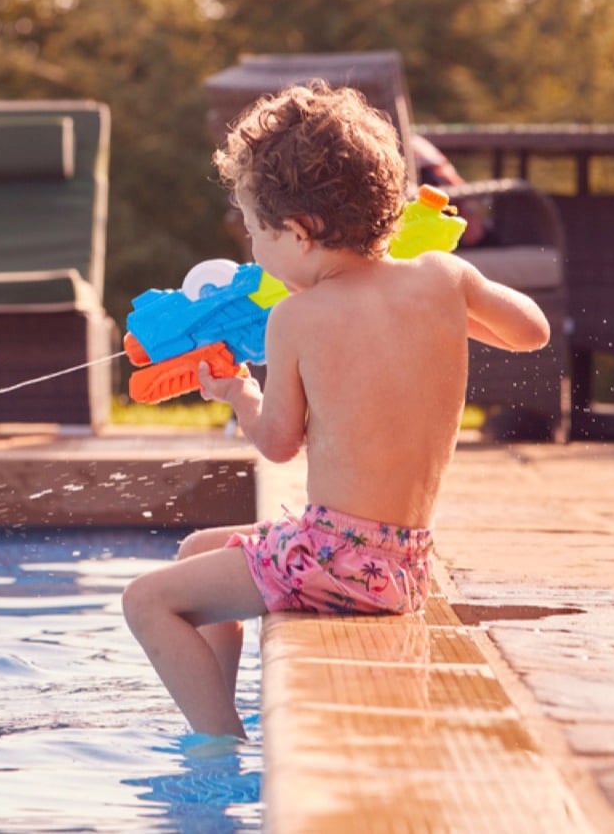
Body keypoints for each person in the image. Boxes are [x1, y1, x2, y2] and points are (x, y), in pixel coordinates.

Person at [120, 83, 550, 739]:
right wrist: (451, 311)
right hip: (402, 565)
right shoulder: (443, 277)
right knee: (195, 552)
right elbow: (532, 333)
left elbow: (279, 442)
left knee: (147, 600)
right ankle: (221, 705)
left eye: (257, 234)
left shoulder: (298, 316)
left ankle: (216, 745)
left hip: (331, 557)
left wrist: (239, 393)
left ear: (299, 233)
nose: (255, 253)